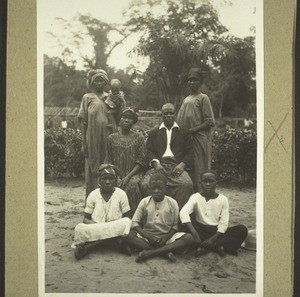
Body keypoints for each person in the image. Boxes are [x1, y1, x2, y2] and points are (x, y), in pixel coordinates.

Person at [124, 172, 194, 263]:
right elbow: (134, 223)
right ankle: (164, 252)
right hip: (147, 237)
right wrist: (148, 236)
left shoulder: (172, 203)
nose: (156, 191)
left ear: (166, 188)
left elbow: (175, 226)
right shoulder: (144, 202)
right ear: (150, 188)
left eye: (160, 188)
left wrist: (165, 238)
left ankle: (150, 253)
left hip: (167, 237)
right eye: (153, 188)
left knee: (189, 238)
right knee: (128, 235)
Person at [180, 170, 248, 257]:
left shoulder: (223, 199)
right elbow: (183, 212)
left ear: (216, 183)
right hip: (200, 230)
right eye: (205, 181)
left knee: (242, 230)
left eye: (211, 181)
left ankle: (208, 246)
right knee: (181, 222)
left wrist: (212, 239)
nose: (208, 184)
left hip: (216, 232)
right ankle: (217, 247)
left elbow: (224, 223)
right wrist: (195, 234)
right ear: (200, 183)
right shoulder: (195, 197)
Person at [72, 164, 132, 260]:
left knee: (127, 222)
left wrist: (108, 228)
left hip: (114, 228)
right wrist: (97, 226)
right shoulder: (93, 194)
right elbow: (86, 219)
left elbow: (127, 218)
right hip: (97, 228)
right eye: (104, 178)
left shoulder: (121, 194)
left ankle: (89, 247)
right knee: (79, 228)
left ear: (115, 180)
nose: (107, 182)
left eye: (111, 179)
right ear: (99, 180)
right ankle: (116, 244)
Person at [140, 103, 194, 209]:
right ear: (162, 115)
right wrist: (156, 164)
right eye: (166, 113)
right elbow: (149, 151)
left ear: (175, 114)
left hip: (176, 166)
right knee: (145, 184)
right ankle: (154, 214)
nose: (168, 116)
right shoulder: (154, 132)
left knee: (187, 184)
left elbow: (190, 152)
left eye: (171, 113)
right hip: (159, 166)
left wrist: (182, 165)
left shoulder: (184, 131)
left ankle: (178, 216)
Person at [177, 68, 215, 191]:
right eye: (190, 80)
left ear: (200, 83)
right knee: (188, 166)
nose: (192, 83)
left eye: (195, 80)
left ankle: (203, 194)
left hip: (198, 139)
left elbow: (209, 122)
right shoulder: (186, 99)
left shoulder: (203, 98)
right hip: (186, 139)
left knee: (200, 167)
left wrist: (192, 130)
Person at [78, 69, 112, 198]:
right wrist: (83, 143)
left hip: (107, 137)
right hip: (91, 138)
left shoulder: (110, 97)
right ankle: (92, 201)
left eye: (101, 80)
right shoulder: (87, 98)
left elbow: (118, 116)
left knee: (107, 165)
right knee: (92, 168)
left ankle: (107, 199)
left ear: (105, 82)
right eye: (96, 80)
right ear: (92, 82)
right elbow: (83, 121)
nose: (99, 83)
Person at [106, 108, 146, 217]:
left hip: (134, 173)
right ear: (119, 119)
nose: (126, 120)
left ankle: (133, 220)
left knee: (131, 185)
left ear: (134, 121)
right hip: (116, 173)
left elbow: (140, 161)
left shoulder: (139, 138)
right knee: (109, 185)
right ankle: (112, 218)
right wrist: (117, 176)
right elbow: (109, 160)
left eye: (130, 118)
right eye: (124, 117)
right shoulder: (111, 138)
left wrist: (128, 177)